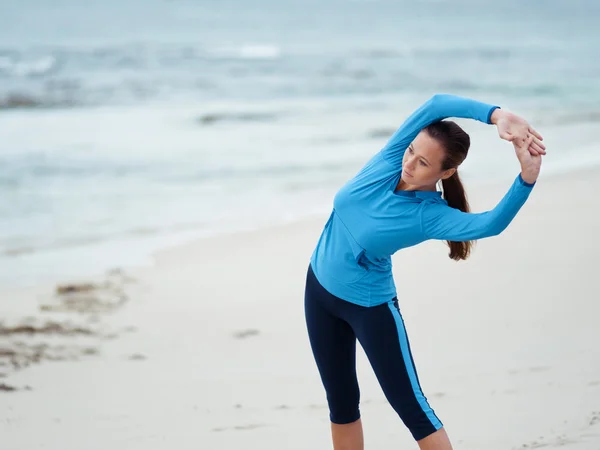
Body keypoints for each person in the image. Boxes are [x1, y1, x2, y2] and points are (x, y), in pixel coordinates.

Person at [304, 93, 545, 450]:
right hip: (319, 290)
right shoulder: (391, 159)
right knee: (340, 403)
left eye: (423, 163)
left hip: (369, 308)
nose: (410, 163)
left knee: (411, 408)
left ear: (445, 173)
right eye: (411, 151)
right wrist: (496, 115)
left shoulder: (430, 215)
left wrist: (526, 179)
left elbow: (490, 223)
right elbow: (435, 104)